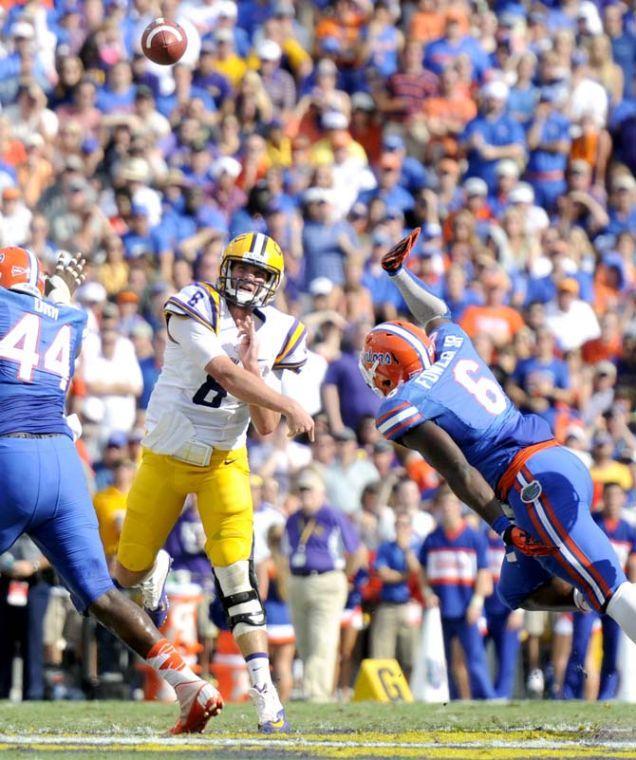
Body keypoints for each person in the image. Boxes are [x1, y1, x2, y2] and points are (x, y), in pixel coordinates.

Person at [358, 228, 636, 652]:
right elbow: (437, 311)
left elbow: (459, 470)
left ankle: (599, 593)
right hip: (554, 462)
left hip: (529, 484)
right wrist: (398, 274)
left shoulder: (404, 402)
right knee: (517, 589)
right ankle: (587, 595)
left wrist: (504, 530)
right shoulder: (454, 347)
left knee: (613, 586)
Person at [0, 246, 222, 733]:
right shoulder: (70, 317)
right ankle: (188, 682)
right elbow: (44, 313)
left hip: (10, 455)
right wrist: (59, 285)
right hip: (62, 463)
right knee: (100, 594)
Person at [113, 232, 314, 732]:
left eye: (258, 273)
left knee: (237, 580)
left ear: (273, 283)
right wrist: (284, 399)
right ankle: (151, 572)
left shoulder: (283, 331)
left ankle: (265, 693)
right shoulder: (194, 304)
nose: (247, 278)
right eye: (240, 268)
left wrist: (256, 367)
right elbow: (222, 372)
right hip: (165, 454)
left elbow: (265, 427)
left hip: (225, 461)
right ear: (224, 268)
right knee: (121, 582)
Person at [283, 468, 363, 702]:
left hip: (327, 580)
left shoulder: (333, 516)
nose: (305, 495)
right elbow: (284, 552)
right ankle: (312, 687)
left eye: (309, 490)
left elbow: (356, 551)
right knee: (304, 641)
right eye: (302, 490)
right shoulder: (293, 519)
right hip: (298, 581)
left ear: (321, 493)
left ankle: (316, 693)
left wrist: (344, 577)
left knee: (323, 639)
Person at [562, 482, 636, 699]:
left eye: (617, 496)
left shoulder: (629, 531)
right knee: (580, 643)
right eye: (609, 496)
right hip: (590, 591)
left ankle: (606, 695)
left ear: (624, 499)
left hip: (615, 594)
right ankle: (570, 695)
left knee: (612, 647)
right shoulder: (593, 524)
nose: (613, 501)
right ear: (603, 498)